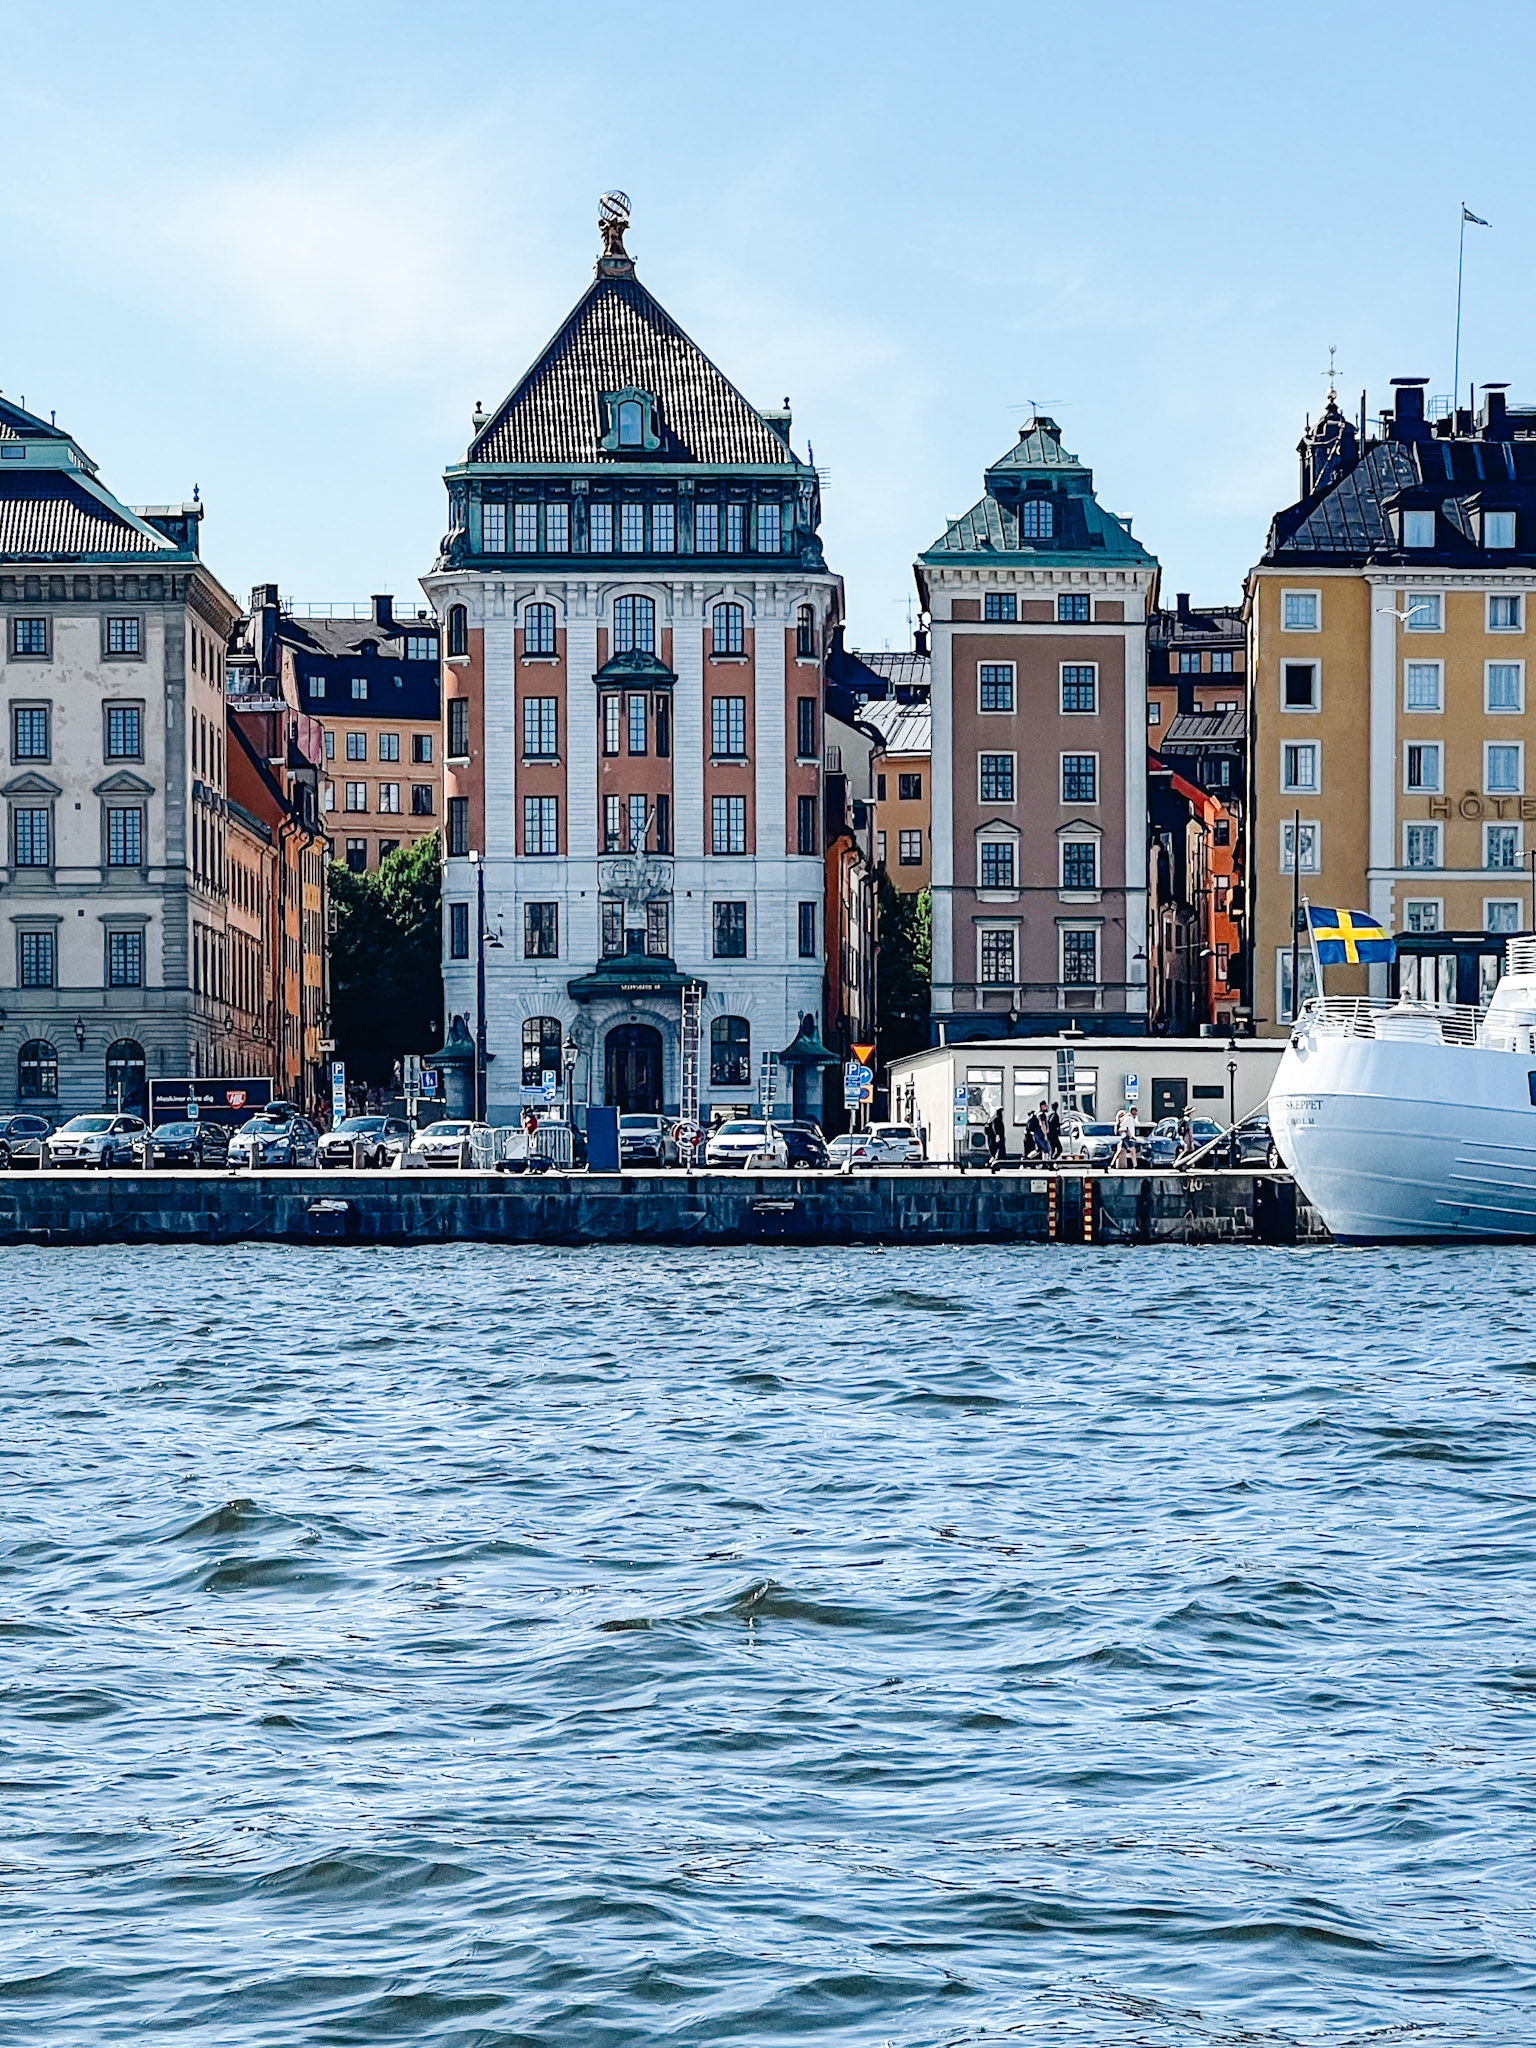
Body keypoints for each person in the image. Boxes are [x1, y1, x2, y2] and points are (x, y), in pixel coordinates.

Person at [1111, 1104, 1139, 1170]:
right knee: (1133, 1150)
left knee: (1120, 1151)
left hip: (1126, 1137)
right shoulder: (1128, 1118)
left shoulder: (1131, 1118)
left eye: (1135, 1111)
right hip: (1127, 1137)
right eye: (1133, 1111)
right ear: (1130, 1111)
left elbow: (1137, 1124)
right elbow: (1123, 1126)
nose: (1135, 1112)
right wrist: (1128, 1134)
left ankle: (1112, 1164)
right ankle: (1135, 1166)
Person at [986, 1105, 1006, 1173]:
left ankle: (990, 1163)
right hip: (997, 1137)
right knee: (997, 1151)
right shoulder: (997, 1118)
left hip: (993, 1138)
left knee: (994, 1152)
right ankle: (993, 1164)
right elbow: (996, 1128)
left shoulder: (993, 1118)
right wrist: (997, 1135)